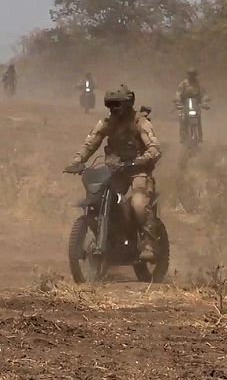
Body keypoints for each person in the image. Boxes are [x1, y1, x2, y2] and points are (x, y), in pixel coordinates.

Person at [63, 84, 162, 260]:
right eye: (111, 105)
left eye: (118, 105)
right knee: (100, 198)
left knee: (138, 202)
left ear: (128, 104)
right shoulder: (106, 123)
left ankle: (148, 242)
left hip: (137, 171)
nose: (114, 110)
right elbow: (90, 143)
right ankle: (110, 237)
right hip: (114, 170)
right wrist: (77, 161)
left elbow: (154, 148)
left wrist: (142, 159)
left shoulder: (140, 123)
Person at [174, 68, 208, 143]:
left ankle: (200, 137)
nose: (191, 76)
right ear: (188, 75)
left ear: (195, 75)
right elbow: (178, 93)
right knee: (182, 120)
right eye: (190, 75)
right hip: (185, 105)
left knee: (198, 120)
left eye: (193, 75)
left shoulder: (198, 84)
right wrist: (177, 101)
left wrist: (205, 102)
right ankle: (183, 137)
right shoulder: (183, 84)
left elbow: (203, 94)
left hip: (195, 105)